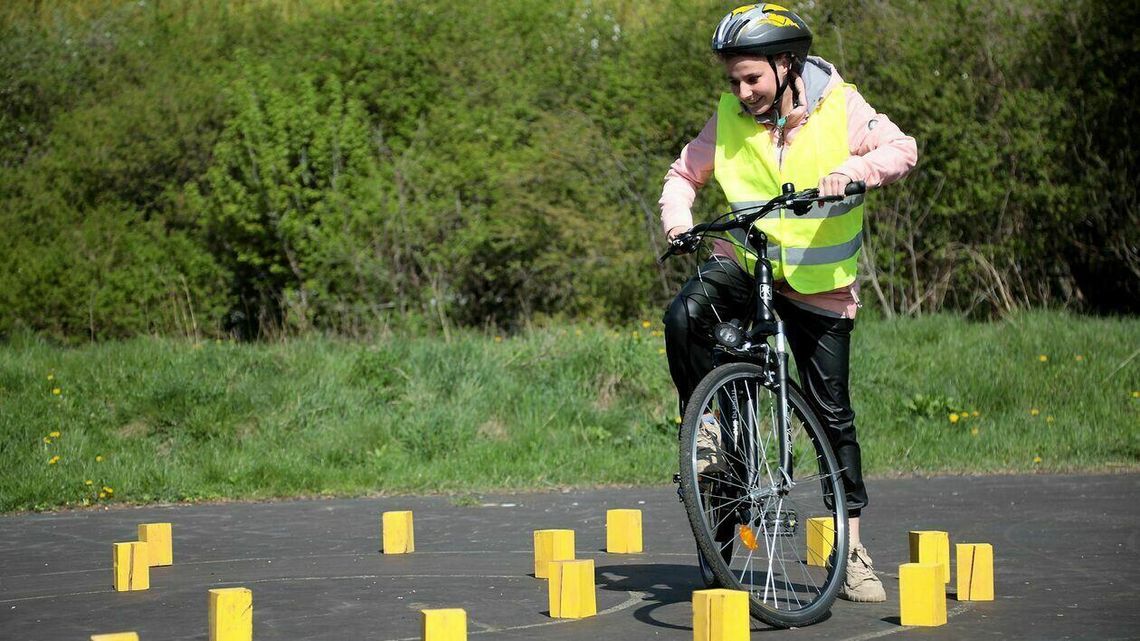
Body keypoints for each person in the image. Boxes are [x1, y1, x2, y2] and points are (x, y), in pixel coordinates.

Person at [660, 4, 917, 603]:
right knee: (686, 316)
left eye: (751, 78)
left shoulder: (840, 106)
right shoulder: (728, 117)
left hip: (820, 286)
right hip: (747, 266)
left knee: (833, 415)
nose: (741, 92)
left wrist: (856, 170)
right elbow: (684, 175)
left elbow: (902, 150)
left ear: (787, 64)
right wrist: (679, 223)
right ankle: (713, 438)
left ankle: (850, 551)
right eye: (733, 81)